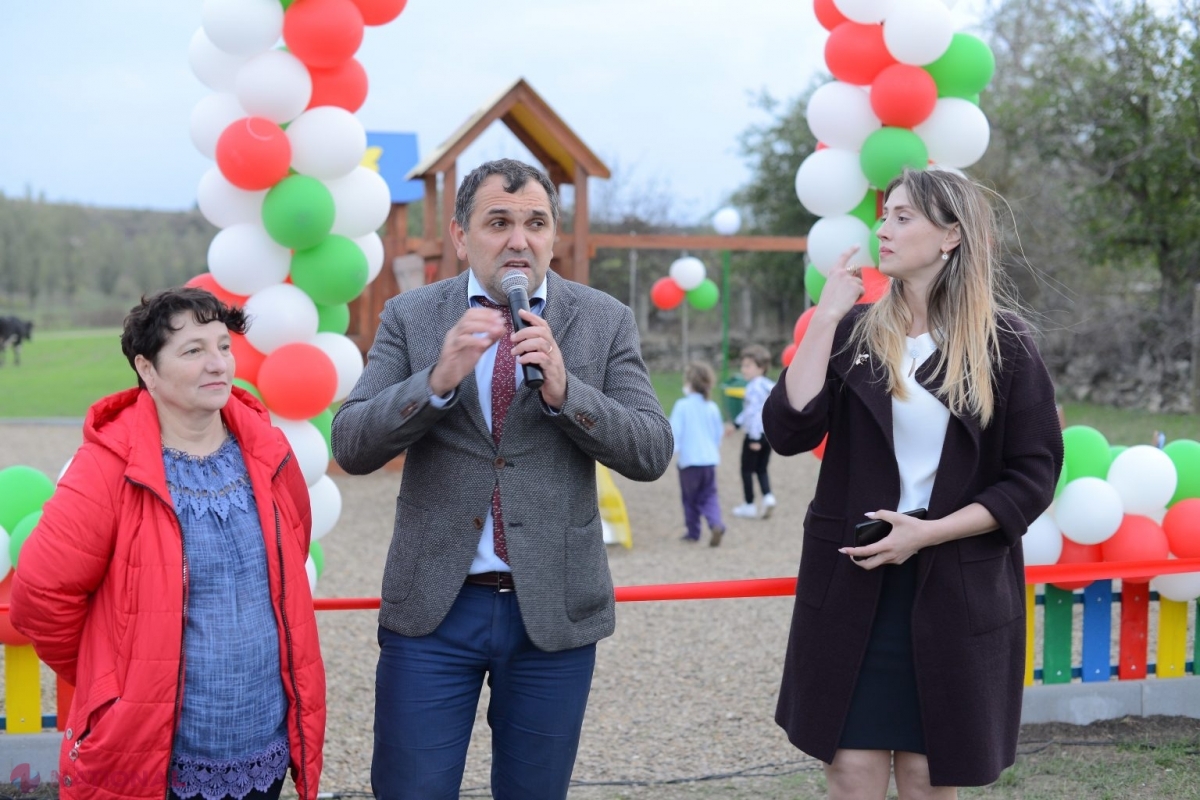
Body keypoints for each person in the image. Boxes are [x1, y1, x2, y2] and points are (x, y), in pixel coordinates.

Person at [330, 158, 673, 800]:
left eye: (536, 223)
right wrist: (435, 382)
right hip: (434, 610)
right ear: (461, 237)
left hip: (553, 610)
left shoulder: (602, 318)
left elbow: (652, 450)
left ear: (553, 236)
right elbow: (350, 443)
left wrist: (569, 393)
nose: (519, 240)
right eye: (498, 222)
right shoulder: (411, 316)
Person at [763, 168, 1062, 798]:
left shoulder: (1004, 343)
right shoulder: (854, 331)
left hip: (953, 586)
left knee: (929, 774)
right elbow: (788, 429)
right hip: (853, 581)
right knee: (851, 769)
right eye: (885, 216)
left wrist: (928, 534)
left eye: (903, 218)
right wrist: (826, 317)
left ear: (950, 236)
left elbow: (1033, 476)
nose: (884, 229)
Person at [10, 288, 326, 800]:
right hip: (159, 758)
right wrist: (111, 677)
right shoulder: (107, 467)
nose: (218, 363)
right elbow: (40, 597)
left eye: (223, 346)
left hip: (262, 742)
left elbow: (293, 547)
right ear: (147, 369)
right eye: (193, 350)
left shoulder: (267, 448)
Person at [669, 361, 726, 546]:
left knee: (690, 499)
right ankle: (715, 523)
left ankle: (693, 532)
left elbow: (674, 432)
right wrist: (713, 449)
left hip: (689, 462)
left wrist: (671, 452)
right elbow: (718, 433)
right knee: (709, 496)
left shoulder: (682, 405)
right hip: (709, 460)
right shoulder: (712, 407)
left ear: (689, 383)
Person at [731, 344, 777, 519]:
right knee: (762, 468)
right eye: (743, 365)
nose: (743, 369)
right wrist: (736, 424)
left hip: (755, 435)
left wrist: (754, 439)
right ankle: (768, 497)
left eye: (748, 366)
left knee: (746, 469)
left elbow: (754, 414)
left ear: (761, 367)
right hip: (768, 435)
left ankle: (749, 504)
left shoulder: (753, 388)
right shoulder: (770, 386)